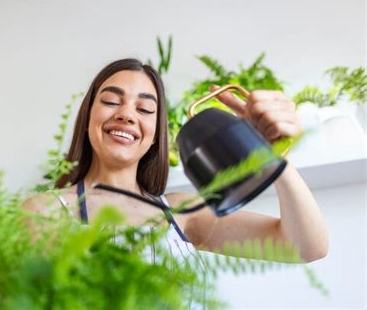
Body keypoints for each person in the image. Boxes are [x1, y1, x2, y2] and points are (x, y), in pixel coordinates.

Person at [23, 58, 328, 263]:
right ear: (88, 116)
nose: (126, 114)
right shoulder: (44, 211)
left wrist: (272, 153)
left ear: (156, 134)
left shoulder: (184, 213)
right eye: (111, 101)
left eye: (144, 110)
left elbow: (304, 247)